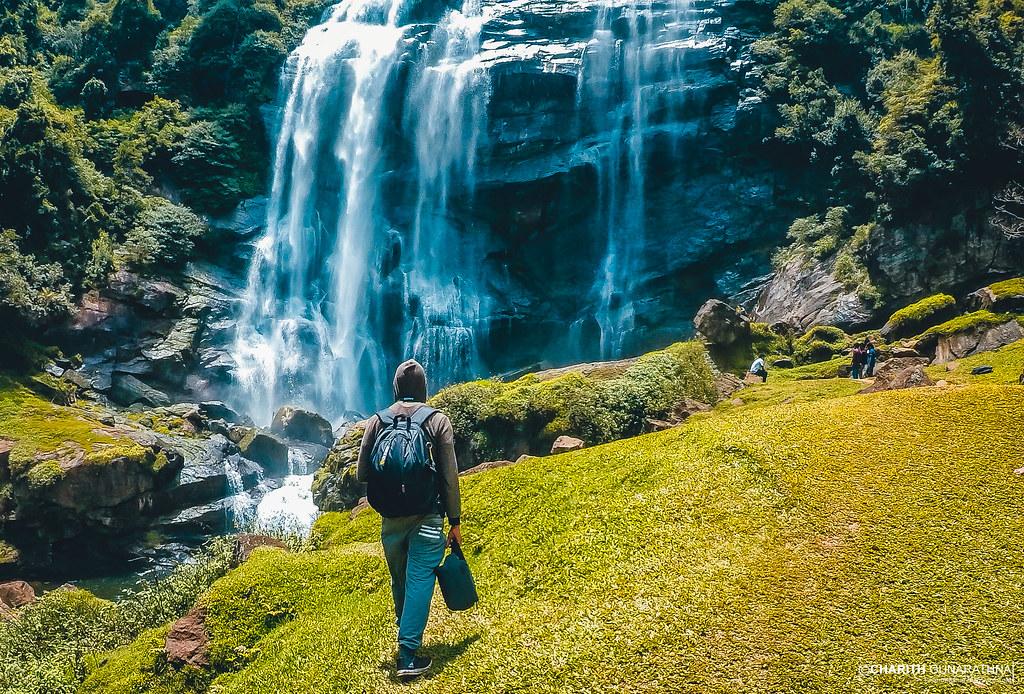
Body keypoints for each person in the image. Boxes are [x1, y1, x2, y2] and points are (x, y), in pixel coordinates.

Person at [357, 359, 462, 679]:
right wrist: (454, 520)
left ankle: (407, 639)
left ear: (396, 388)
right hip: (428, 515)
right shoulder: (437, 420)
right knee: (420, 579)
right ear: (424, 388)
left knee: (401, 579)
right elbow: (449, 476)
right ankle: (407, 655)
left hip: (391, 518)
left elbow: (363, 473)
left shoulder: (377, 421)